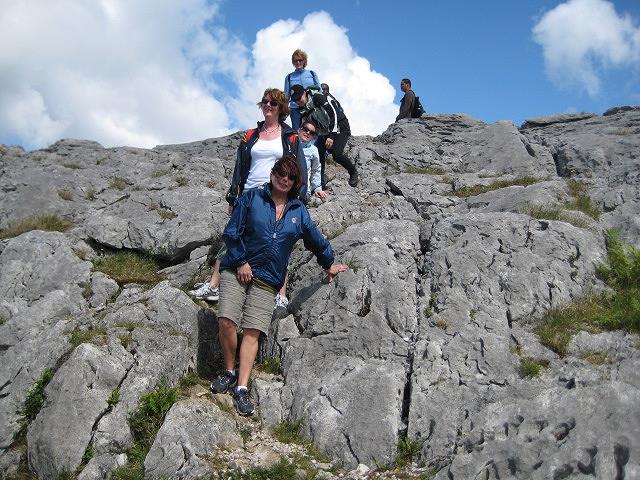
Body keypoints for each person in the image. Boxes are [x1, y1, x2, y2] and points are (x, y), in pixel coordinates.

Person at [209, 156, 348, 415]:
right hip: (237, 268)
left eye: (290, 177)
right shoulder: (252, 198)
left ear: (296, 182)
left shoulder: (298, 212)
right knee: (226, 320)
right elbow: (232, 231)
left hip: (268, 278)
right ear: (272, 174)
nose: (284, 179)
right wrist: (240, 261)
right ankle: (228, 370)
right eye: (280, 174)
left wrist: (329, 264)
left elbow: (315, 240)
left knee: (252, 330)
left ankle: (241, 387)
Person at [189, 88, 306, 309]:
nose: (267, 105)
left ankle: (279, 293)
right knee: (233, 236)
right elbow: (240, 167)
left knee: (279, 240)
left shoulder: (290, 137)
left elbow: (298, 168)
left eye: (272, 103)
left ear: (281, 108)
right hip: (250, 192)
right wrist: (234, 197)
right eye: (264, 102)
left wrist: (299, 199)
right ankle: (214, 285)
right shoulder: (251, 135)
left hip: (276, 193)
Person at [289, 84, 358, 189]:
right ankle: (320, 184)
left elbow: (333, 113)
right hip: (324, 131)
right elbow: (303, 126)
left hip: (340, 126)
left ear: (304, 92)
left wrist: (331, 136)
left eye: (299, 98)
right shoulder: (303, 109)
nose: (298, 101)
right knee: (319, 155)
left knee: (336, 154)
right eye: (295, 100)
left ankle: (353, 172)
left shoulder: (318, 97)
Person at [284, 49, 321, 130]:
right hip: (295, 108)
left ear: (304, 61)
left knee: (313, 130)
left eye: (300, 60)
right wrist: (284, 111)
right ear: (293, 62)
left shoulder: (312, 74)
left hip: (311, 107)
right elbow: (286, 96)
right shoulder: (289, 77)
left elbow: (319, 90)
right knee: (297, 131)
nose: (298, 62)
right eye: (295, 61)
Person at [298, 120, 328, 199]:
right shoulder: (289, 144)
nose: (308, 133)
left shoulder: (313, 150)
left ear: (313, 137)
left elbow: (316, 169)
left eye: (311, 132)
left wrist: (317, 188)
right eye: (305, 129)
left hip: (303, 191)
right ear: (299, 130)